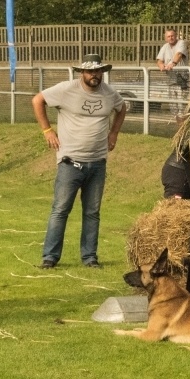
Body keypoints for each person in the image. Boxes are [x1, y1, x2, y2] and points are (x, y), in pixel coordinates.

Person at [33, 54, 127, 269]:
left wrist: (114, 132)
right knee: (60, 210)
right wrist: (47, 130)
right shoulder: (66, 90)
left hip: (98, 163)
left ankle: (90, 257)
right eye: (90, 71)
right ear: (82, 72)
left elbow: (122, 108)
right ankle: (50, 257)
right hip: (70, 162)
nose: (95, 75)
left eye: (98, 71)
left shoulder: (109, 93)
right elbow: (38, 100)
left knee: (92, 212)